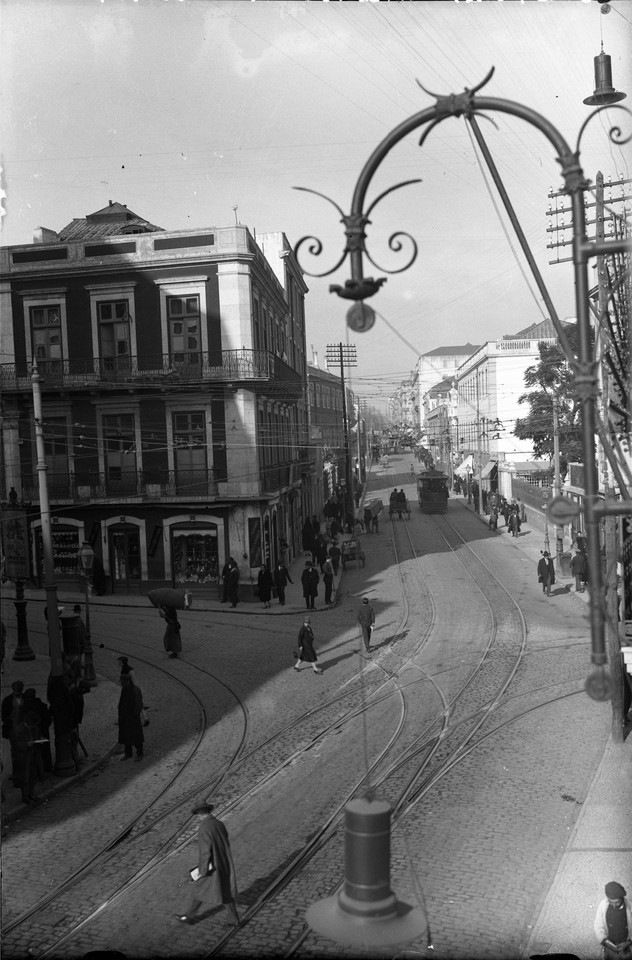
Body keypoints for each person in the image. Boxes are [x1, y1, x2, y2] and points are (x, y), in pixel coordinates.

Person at [177, 803, 239, 926]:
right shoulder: (219, 824)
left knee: (201, 889)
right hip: (224, 862)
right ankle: (234, 920)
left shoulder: (204, 828)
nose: (198, 818)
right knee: (224, 891)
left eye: (198, 815)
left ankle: (189, 917)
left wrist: (202, 871)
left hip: (212, 866)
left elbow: (205, 852)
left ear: (200, 814)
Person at [594, 881, 632, 960]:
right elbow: (598, 926)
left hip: (627, 950)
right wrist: (606, 942)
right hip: (609, 949)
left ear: (622, 898)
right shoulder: (602, 906)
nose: (614, 906)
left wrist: (628, 943)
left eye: (617, 902)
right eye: (611, 902)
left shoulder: (630, 907)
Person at [13, 710, 45, 804]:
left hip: (33, 754)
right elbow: (15, 745)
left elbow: (37, 735)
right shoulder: (19, 730)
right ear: (29, 723)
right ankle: (25, 797)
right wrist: (26, 744)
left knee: (33, 775)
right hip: (24, 756)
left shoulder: (34, 727)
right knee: (25, 777)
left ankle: (31, 794)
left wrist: (40, 739)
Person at [23, 687, 52, 773]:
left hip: (32, 734)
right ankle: (46, 769)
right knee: (44, 752)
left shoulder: (25, 708)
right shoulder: (42, 706)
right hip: (42, 732)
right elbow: (48, 720)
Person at [2, 680, 25, 785]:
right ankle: (16, 773)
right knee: (15, 752)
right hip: (13, 730)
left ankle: (23, 771)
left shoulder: (25, 698)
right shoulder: (7, 701)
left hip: (24, 729)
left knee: (23, 751)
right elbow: (4, 716)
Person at [117, 673, 145, 761]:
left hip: (132, 718)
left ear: (126, 681)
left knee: (136, 736)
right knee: (125, 736)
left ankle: (140, 753)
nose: (121, 683)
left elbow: (138, 705)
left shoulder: (135, 690)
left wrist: (133, 715)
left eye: (122, 681)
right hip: (125, 717)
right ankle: (128, 753)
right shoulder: (125, 689)